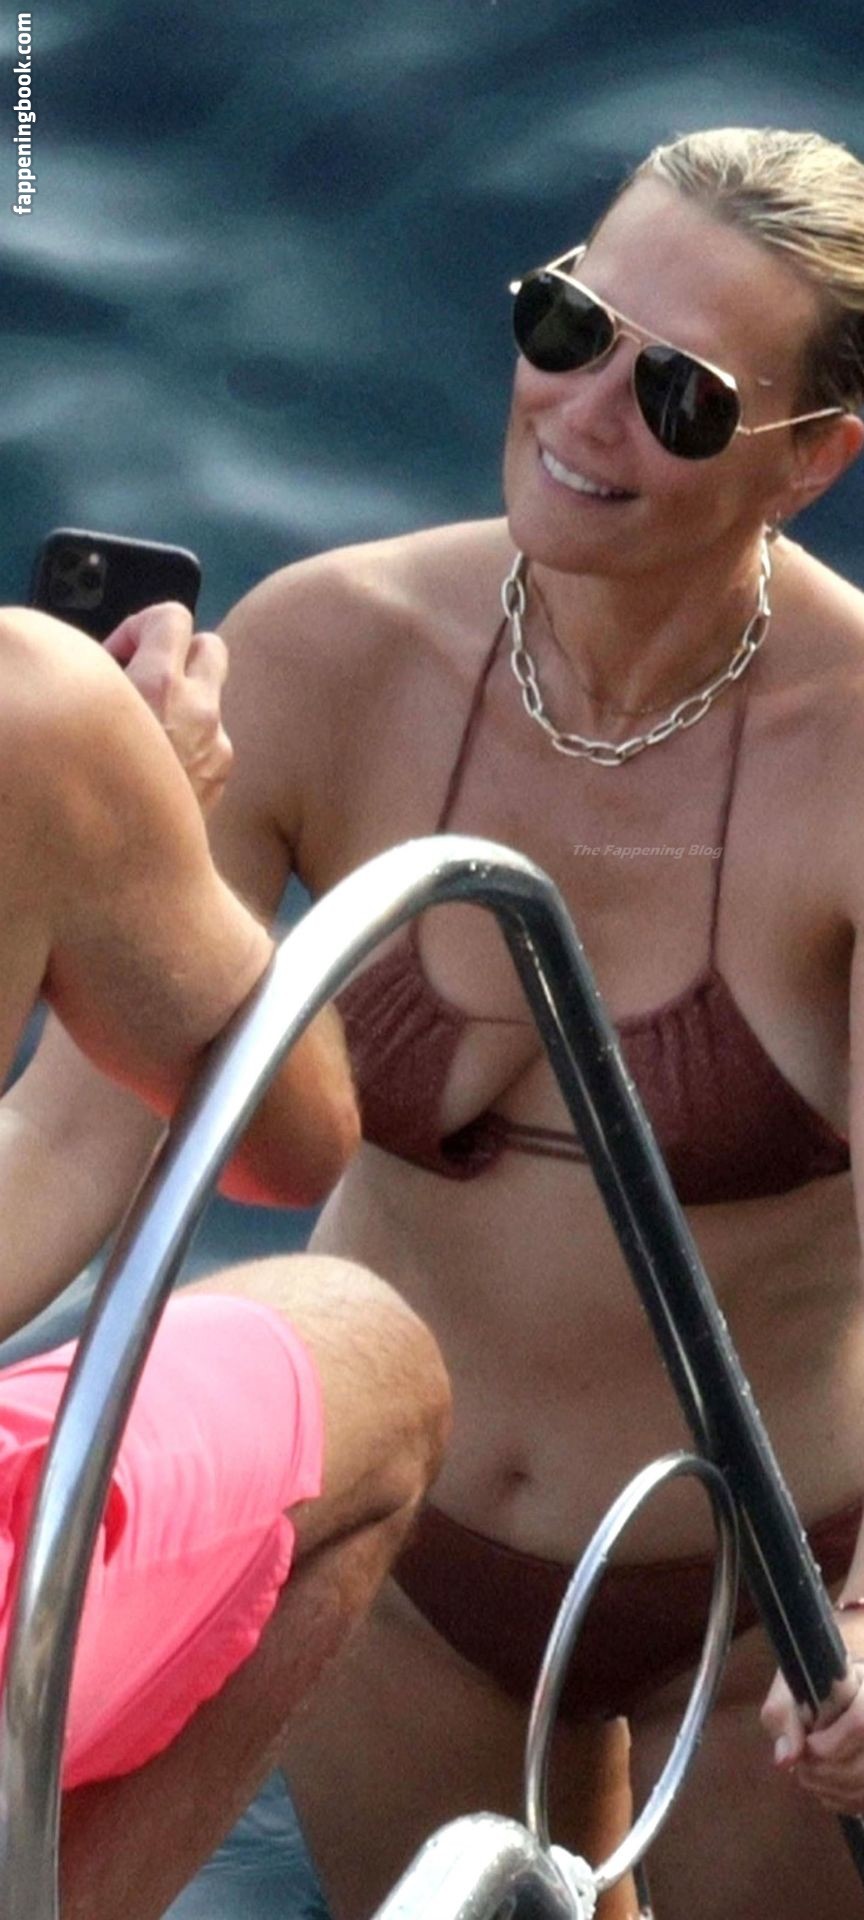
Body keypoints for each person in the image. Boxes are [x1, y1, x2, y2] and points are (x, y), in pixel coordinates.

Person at [8, 127, 864, 1920]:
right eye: (568, 325)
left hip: (774, 1598)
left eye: (683, 398)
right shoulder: (331, 649)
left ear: (811, 461)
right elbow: (75, 1139)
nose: (587, 411)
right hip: (406, 1569)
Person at [0, 605, 450, 1920]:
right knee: (368, 1353)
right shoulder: (31, 714)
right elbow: (289, 1141)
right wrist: (139, 832)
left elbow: (54, 1152)